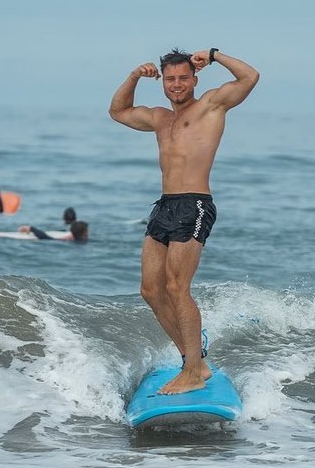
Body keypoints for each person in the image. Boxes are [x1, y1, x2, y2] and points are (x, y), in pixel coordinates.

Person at [109, 48, 259, 395]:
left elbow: (250, 77)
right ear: (162, 82)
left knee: (178, 287)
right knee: (150, 290)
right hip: (164, 205)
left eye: (183, 78)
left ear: (194, 79)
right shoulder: (161, 118)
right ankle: (195, 361)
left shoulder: (210, 106)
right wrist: (133, 76)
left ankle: (192, 371)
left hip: (195, 204)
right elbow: (117, 111)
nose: (177, 84)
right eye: (170, 79)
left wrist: (214, 54)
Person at [18, 221, 89, 242]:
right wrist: (31, 228)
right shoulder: (80, 240)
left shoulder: (75, 239)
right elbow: (45, 237)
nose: (88, 232)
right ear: (83, 232)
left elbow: (47, 238)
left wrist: (31, 228)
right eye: (86, 231)